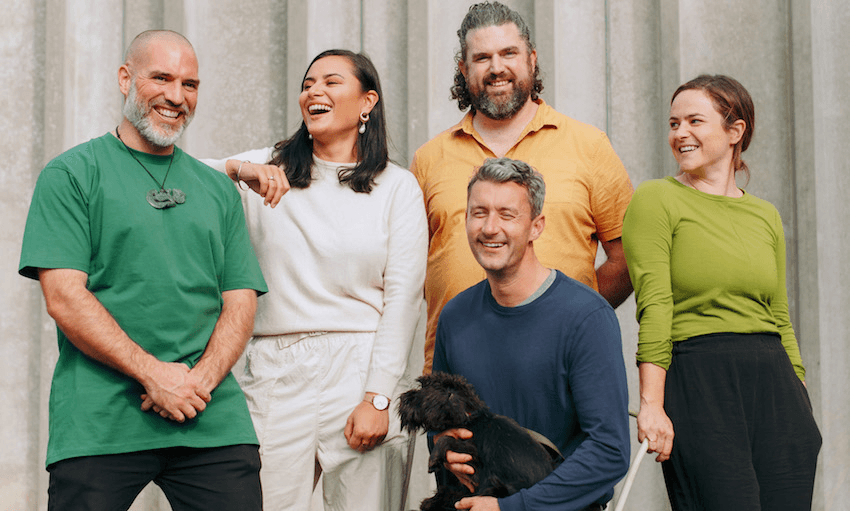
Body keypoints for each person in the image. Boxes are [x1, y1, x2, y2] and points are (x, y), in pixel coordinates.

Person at [18, 30, 267, 510]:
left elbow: (240, 300)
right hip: (100, 419)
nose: (177, 96)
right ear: (125, 79)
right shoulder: (71, 175)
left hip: (209, 415)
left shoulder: (217, 190)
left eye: (190, 84)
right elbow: (64, 296)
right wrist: (154, 374)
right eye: (162, 78)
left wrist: (198, 382)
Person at [203, 49, 428, 511]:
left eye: (330, 82)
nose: (314, 92)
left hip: (362, 366)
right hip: (274, 369)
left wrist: (380, 398)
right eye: (307, 84)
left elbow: (403, 299)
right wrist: (236, 170)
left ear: (368, 102)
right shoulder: (265, 166)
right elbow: (179, 174)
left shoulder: (397, 186)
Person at [622, 74, 822, 510]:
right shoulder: (656, 199)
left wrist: (799, 394)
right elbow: (655, 306)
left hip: (775, 384)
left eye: (695, 121)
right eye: (674, 123)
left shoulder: (764, 215)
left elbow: (779, 315)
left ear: (735, 132)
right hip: (701, 378)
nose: (680, 133)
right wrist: (651, 404)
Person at [411, 1, 634, 373]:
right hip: (457, 371)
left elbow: (627, 259)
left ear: (531, 59)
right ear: (464, 70)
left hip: (562, 363)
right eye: (482, 57)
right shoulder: (429, 159)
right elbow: (409, 267)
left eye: (508, 53)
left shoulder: (588, 146)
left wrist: (570, 314)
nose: (497, 68)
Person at [433, 157, 630, 511]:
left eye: (507, 215)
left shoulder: (586, 316)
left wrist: (514, 507)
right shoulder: (455, 316)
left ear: (536, 226)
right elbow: (440, 423)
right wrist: (445, 448)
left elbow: (609, 451)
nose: (490, 228)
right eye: (479, 213)